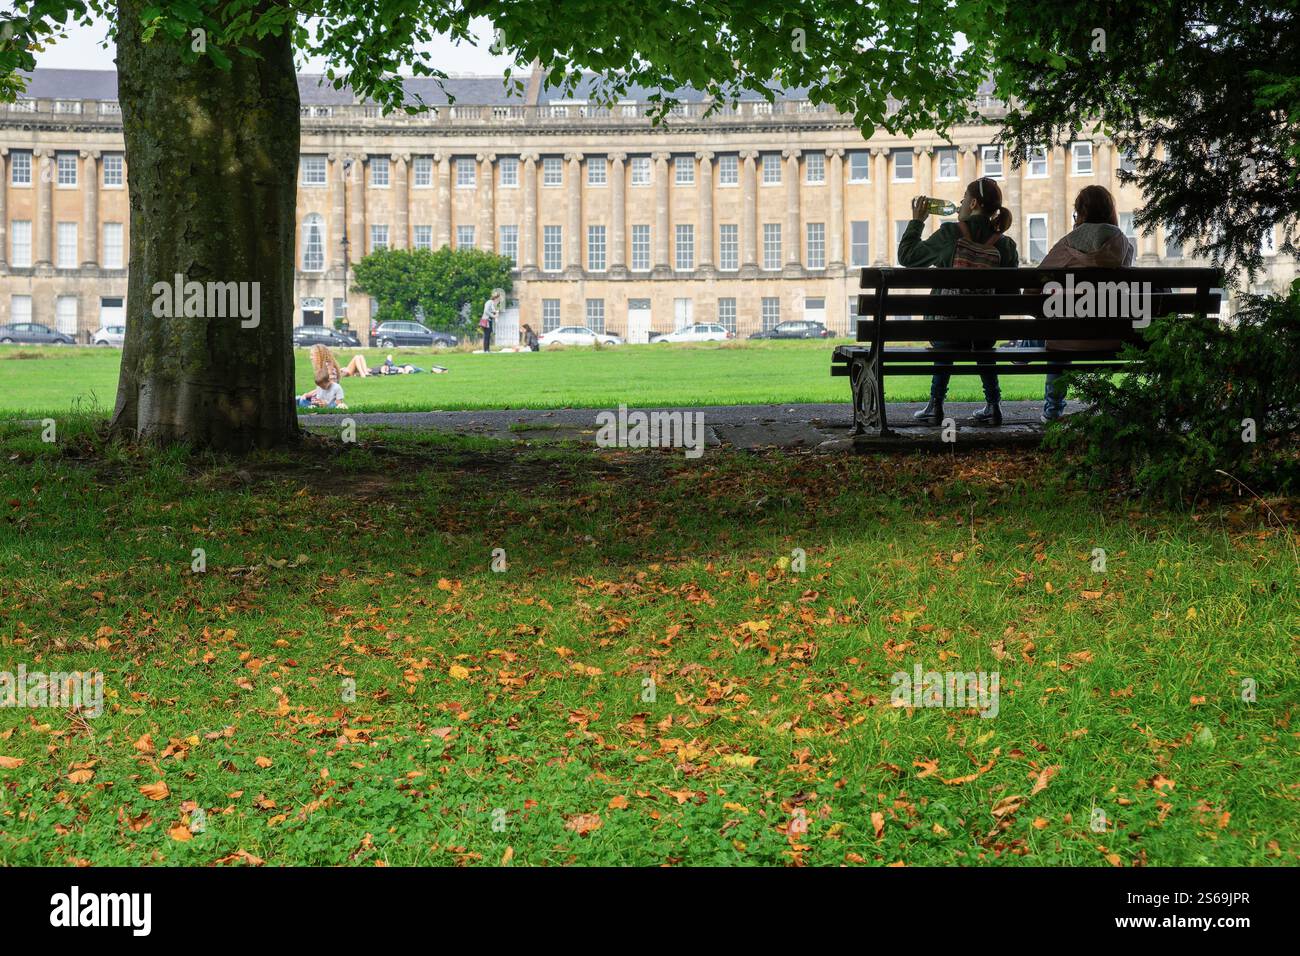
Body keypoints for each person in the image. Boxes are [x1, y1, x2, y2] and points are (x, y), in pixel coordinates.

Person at [898, 177, 1018, 426]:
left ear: (973, 202)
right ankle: (994, 406)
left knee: (946, 327)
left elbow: (907, 257)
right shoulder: (1005, 245)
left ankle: (935, 405)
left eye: (964, 198)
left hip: (946, 331)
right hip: (985, 334)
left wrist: (918, 221)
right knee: (983, 334)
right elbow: (1012, 295)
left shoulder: (950, 234)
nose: (960, 203)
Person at [1034, 185, 1135, 422]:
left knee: (1056, 333)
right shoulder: (1123, 245)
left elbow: (1032, 286)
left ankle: (1052, 410)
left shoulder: (1067, 244)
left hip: (1067, 339)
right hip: (1113, 336)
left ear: (1080, 212)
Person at [480, 288, 504, 352]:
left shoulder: (493, 304)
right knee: (486, 335)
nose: (499, 300)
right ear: (496, 298)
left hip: (489, 321)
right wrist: (494, 315)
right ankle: (486, 350)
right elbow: (486, 311)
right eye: (499, 299)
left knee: (488, 335)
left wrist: (496, 311)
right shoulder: (489, 302)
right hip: (486, 321)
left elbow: (492, 311)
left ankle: (487, 349)